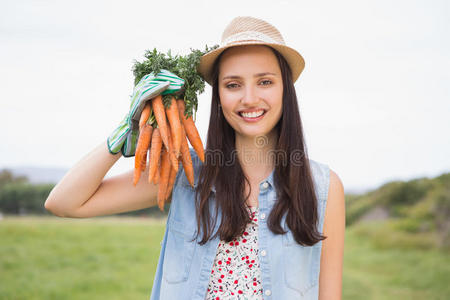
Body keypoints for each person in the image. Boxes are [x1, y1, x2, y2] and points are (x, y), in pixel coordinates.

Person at [45, 16, 345, 300]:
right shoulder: (184, 173)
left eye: (265, 81)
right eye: (233, 84)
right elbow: (64, 202)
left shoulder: (323, 188)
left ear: (285, 90)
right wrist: (124, 134)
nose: (250, 98)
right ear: (219, 96)